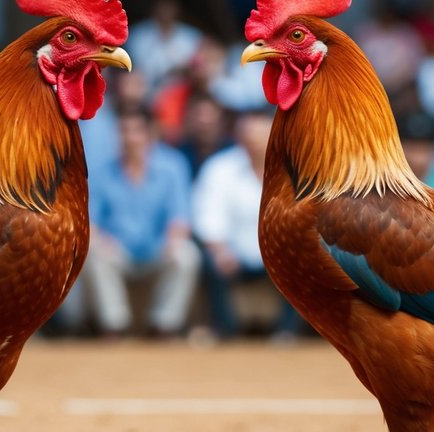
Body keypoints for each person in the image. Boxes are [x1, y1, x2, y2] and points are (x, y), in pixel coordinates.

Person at [83, 107, 199, 337]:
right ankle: (114, 325)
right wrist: (101, 241)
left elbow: (181, 217)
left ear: (151, 134)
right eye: (123, 130)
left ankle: (164, 325)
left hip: (159, 248)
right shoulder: (101, 172)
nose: (129, 137)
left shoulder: (173, 166)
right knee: (92, 251)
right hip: (116, 250)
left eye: (136, 130)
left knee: (187, 254)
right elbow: (90, 223)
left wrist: (173, 240)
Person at [192, 110, 299, 339]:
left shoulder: (295, 168)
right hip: (233, 255)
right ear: (239, 137)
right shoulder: (219, 168)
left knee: (306, 259)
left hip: (281, 255)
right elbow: (208, 218)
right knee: (208, 260)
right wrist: (220, 250)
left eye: (260, 134)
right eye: (248, 135)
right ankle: (225, 330)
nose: (254, 141)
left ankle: (287, 332)